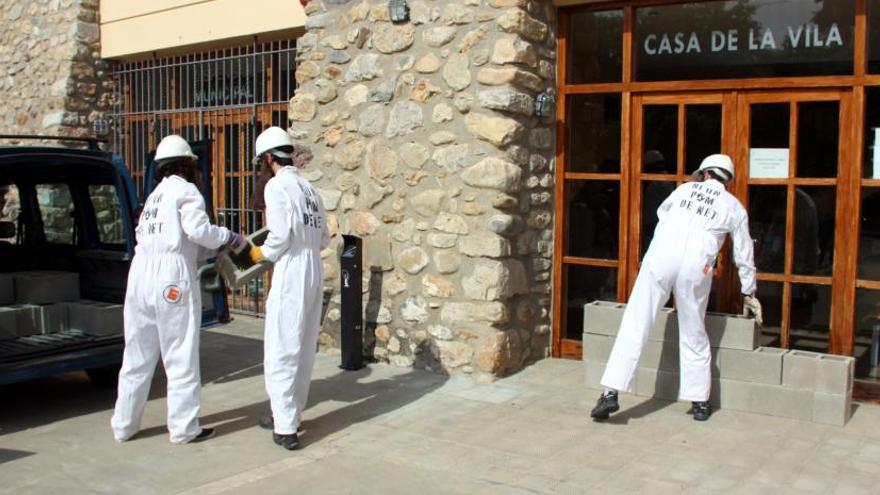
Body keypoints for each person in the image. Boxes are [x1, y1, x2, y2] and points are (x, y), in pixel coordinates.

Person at [591, 154, 763, 422]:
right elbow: (743, 251)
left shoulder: (683, 189)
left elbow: (662, 215)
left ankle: (610, 392)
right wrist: (748, 290)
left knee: (636, 323)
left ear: (705, 174)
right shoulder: (733, 206)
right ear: (726, 180)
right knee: (694, 330)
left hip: (661, 257)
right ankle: (700, 401)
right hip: (697, 265)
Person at [111, 135, 244, 444]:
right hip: (170, 278)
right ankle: (184, 428)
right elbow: (198, 231)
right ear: (188, 165)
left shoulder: (154, 198)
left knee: (137, 354)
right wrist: (229, 237)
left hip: (140, 275)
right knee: (179, 353)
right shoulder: (187, 191)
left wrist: (207, 253)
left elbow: (183, 242)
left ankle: (124, 425)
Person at [249, 127, 330, 450]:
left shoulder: (277, 186)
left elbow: (279, 237)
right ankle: (290, 414)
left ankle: (284, 426)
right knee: (304, 346)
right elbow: (324, 238)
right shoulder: (311, 189)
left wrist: (251, 256)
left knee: (282, 347)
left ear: (269, 159)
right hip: (314, 268)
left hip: (292, 270)